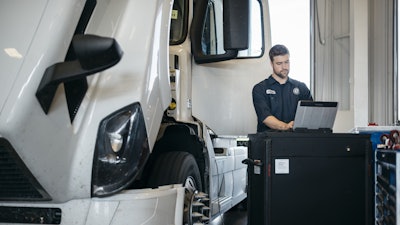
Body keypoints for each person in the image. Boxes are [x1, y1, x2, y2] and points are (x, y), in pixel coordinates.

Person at [252, 44, 313, 132]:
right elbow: (265, 117)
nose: (284, 67)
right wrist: (286, 126)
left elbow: (310, 113)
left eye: (286, 62)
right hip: (269, 141)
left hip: (296, 139)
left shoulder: (301, 87)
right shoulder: (260, 89)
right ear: (271, 63)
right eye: (279, 63)